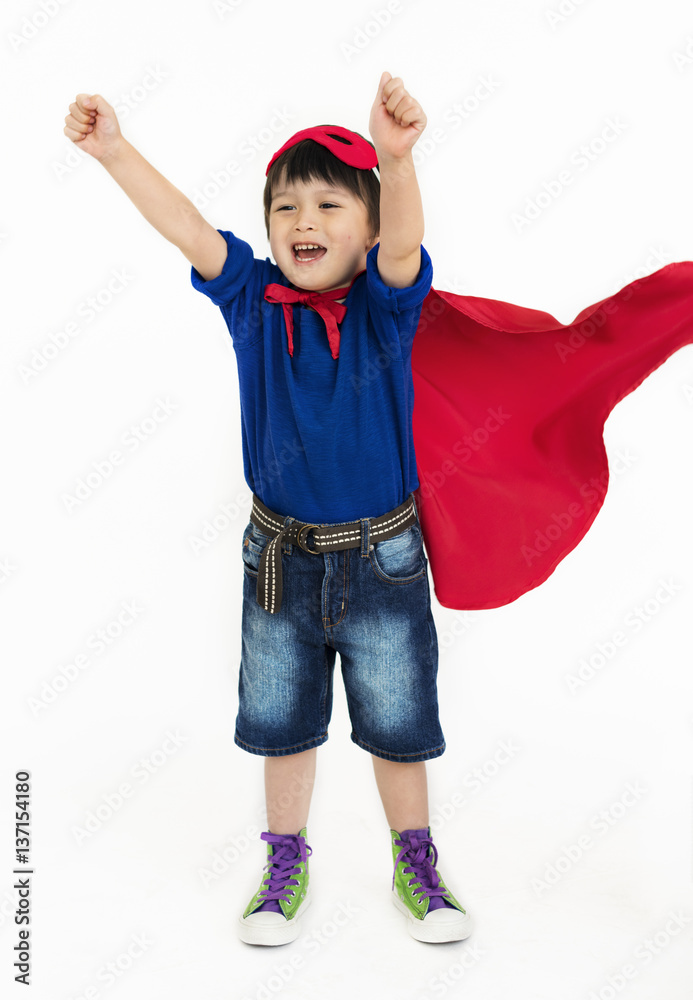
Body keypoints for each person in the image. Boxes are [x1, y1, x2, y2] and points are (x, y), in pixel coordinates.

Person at [63, 71, 473, 947]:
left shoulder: (383, 309)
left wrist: (396, 163)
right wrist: (113, 151)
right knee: (283, 721)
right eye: (286, 209)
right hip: (279, 561)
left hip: (382, 559)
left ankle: (417, 858)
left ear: (363, 233)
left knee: (397, 725)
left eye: (329, 206)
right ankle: (284, 858)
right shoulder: (252, 301)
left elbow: (406, 245)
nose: (304, 223)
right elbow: (183, 225)